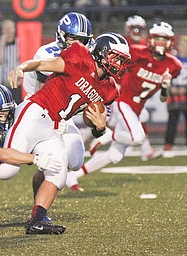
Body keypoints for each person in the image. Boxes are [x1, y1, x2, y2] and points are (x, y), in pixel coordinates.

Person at [0, 32, 131, 235]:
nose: (119, 64)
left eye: (122, 60)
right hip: (35, 112)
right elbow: (43, 64)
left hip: (56, 125)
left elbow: (91, 120)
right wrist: (22, 67)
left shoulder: (109, 89)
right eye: (116, 57)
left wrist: (99, 127)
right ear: (102, 52)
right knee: (7, 171)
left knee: (59, 171)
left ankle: (37, 220)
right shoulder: (79, 57)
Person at [66, 22, 183, 189]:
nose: (160, 42)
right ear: (150, 39)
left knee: (115, 156)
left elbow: (164, 98)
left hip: (136, 109)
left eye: (164, 39)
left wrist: (165, 87)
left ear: (171, 41)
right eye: (157, 38)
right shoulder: (137, 53)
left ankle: (74, 175)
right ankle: (108, 135)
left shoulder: (174, 65)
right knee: (138, 137)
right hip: (124, 101)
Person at [23, 12, 94, 220]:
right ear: (62, 36)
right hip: (37, 113)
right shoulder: (47, 52)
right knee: (7, 168)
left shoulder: (85, 55)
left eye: (83, 40)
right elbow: (53, 92)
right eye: (74, 39)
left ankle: (40, 196)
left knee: (75, 161)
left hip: (62, 116)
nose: (78, 45)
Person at [86, 14, 158, 164]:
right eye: (135, 29)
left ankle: (145, 150)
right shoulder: (125, 45)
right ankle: (95, 134)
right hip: (117, 89)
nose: (138, 32)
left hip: (129, 90)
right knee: (117, 120)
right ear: (128, 29)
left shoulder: (143, 46)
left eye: (140, 29)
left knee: (130, 122)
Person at [163, 35, 187, 155]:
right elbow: (167, 74)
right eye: (182, 44)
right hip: (174, 94)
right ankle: (168, 143)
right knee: (172, 120)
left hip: (185, 93)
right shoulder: (173, 58)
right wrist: (171, 88)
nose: (184, 47)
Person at [0, 19, 22, 104]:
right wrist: (2, 44)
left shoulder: (20, 43)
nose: (8, 30)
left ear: (14, 29)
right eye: (6, 28)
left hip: (18, 83)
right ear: (2, 30)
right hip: (5, 83)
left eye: (10, 27)